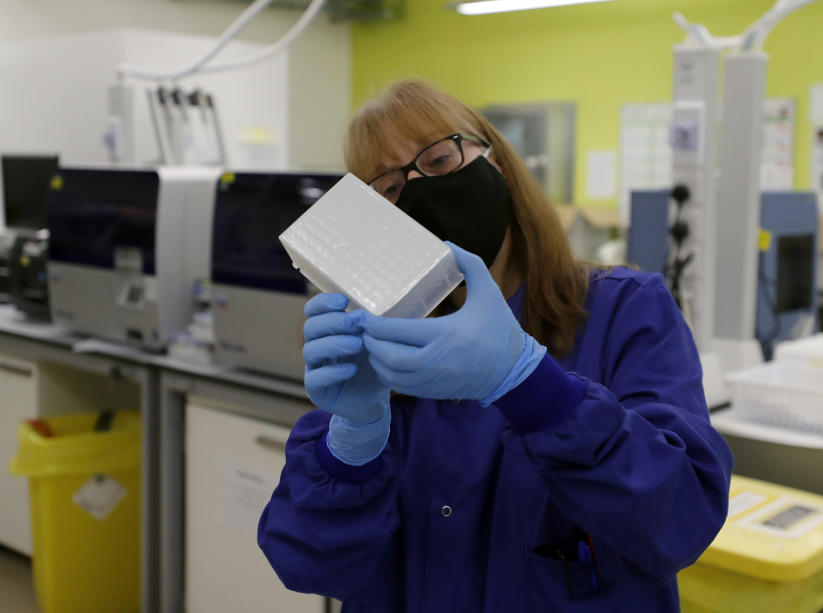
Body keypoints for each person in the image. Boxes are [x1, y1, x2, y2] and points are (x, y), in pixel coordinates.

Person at [258, 79, 733, 612]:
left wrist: (531, 384)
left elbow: (683, 519)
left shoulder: (625, 311)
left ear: (497, 163)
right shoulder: (376, 341)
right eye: (388, 190)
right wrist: (352, 444)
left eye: (438, 159)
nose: (416, 191)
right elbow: (308, 563)